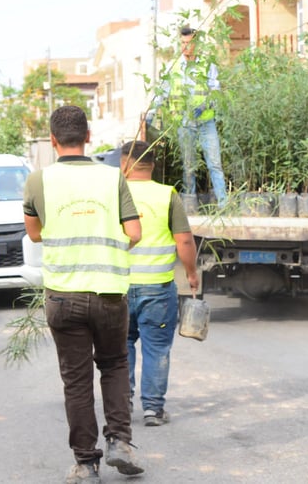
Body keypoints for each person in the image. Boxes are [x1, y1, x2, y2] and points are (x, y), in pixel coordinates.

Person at [23, 105, 145, 483]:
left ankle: (86, 463)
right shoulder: (113, 178)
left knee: (76, 381)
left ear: (53, 140)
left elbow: (34, 233)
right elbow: (136, 232)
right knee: (114, 365)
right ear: (88, 137)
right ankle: (121, 443)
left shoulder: (38, 181)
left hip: (63, 295)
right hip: (109, 293)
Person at [118, 140, 199, 427]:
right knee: (156, 349)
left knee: (121, 346)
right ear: (152, 165)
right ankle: (152, 409)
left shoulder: (114, 193)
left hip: (118, 288)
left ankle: (122, 403)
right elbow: (184, 240)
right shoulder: (167, 195)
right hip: (158, 288)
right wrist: (191, 272)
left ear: (124, 164)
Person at [146, 25, 227, 207]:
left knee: (214, 164)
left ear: (196, 44)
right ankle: (190, 205)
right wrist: (152, 112)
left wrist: (206, 104)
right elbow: (162, 93)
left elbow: (216, 92)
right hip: (183, 123)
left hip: (206, 121)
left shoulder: (208, 65)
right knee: (188, 166)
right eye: (182, 43)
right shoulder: (172, 67)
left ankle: (223, 205)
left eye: (189, 43)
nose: (185, 47)